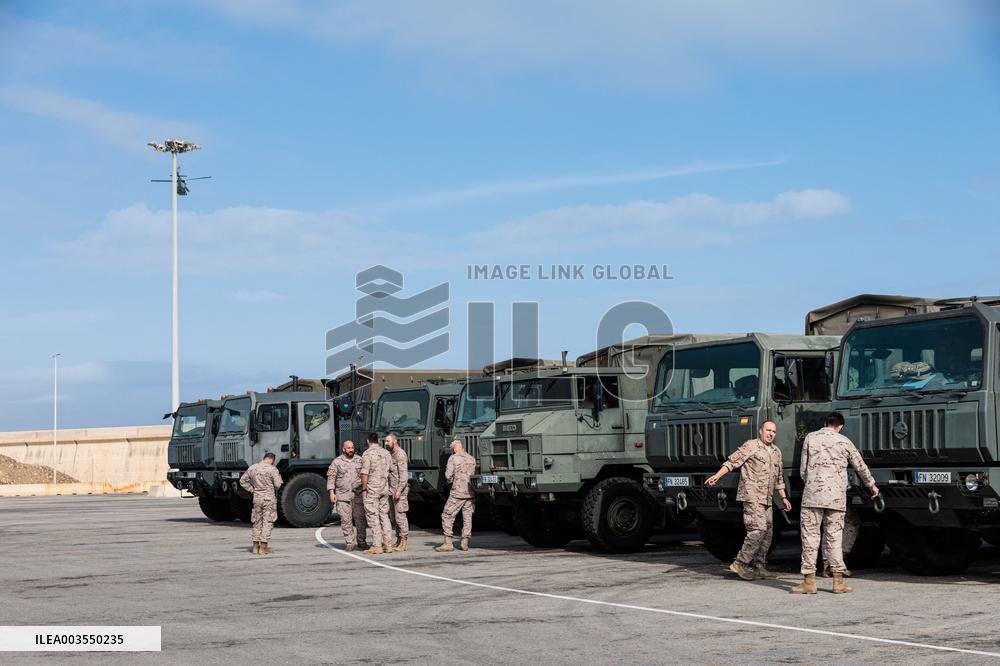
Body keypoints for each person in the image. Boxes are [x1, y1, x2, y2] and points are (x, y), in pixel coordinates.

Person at [792, 411, 879, 595]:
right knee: (835, 538)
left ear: (825, 423)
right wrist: (872, 485)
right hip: (836, 498)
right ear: (840, 426)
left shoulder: (810, 438)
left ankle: (809, 582)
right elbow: (860, 466)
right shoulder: (844, 441)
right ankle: (838, 582)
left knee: (810, 538)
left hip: (813, 496)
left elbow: (803, 470)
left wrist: (812, 483)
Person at [706, 421, 792, 580]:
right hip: (752, 496)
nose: (771, 434)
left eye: (773, 431)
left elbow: (779, 478)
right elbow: (732, 462)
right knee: (757, 530)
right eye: (768, 430)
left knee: (768, 532)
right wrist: (717, 476)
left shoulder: (776, 451)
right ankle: (740, 563)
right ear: (760, 431)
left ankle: (759, 566)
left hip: (767, 498)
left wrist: (784, 498)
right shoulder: (751, 446)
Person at [435, 440, 477, 552]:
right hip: (470, 492)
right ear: (462, 448)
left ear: (454, 449)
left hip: (458, 492)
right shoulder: (471, 458)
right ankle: (465, 542)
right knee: (467, 517)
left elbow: (448, 475)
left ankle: (448, 543)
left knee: (447, 515)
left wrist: (452, 481)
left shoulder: (453, 458)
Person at [326, 440, 368, 552]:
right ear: (343, 449)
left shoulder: (360, 460)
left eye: (352, 448)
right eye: (348, 448)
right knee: (346, 520)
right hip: (342, 496)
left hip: (358, 495)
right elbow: (331, 478)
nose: (351, 450)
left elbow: (365, 475)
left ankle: (362, 541)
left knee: (360, 519)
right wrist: (331, 493)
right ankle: (349, 542)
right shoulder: (337, 462)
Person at [239, 451, 283, 555]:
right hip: (268, 499)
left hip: (257, 498)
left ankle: (255, 547)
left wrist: (251, 489)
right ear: (272, 460)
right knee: (267, 521)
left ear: (264, 458)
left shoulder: (253, 467)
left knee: (257, 521)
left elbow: (242, 481)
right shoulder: (272, 469)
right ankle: (263, 547)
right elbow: (277, 485)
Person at [360, 432, 394, 555]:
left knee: (373, 516)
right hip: (384, 488)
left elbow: (365, 473)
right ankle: (388, 545)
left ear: (368, 441)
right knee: (384, 516)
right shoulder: (386, 453)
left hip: (372, 490)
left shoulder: (367, 454)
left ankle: (377, 545)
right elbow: (391, 470)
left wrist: (364, 489)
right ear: (378, 440)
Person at [386, 433, 410, 552]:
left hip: (399, 492)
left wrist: (399, 490)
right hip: (391, 491)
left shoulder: (400, 454)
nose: (386, 443)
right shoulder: (391, 454)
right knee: (394, 518)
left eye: (388, 441)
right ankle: (398, 540)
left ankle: (404, 541)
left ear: (394, 441)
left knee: (400, 516)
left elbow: (404, 476)